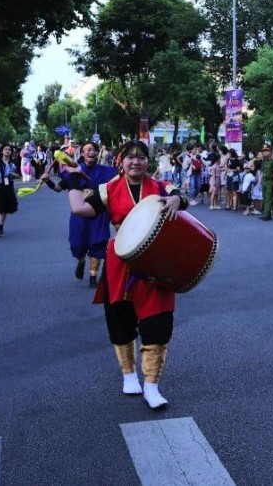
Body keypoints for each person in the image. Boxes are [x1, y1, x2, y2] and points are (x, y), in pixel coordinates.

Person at [64, 140, 186, 409]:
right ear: (121, 161)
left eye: (141, 157)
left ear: (148, 161)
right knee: (120, 321)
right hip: (120, 261)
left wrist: (177, 198)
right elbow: (79, 209)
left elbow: (181, 197)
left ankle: (152, 385)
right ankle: (129, 374)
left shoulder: (160, 186)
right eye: (130, 157)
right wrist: (73, 180)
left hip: (155, 264)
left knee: (158, 324)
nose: (136, 162)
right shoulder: (109, 189)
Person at [63, 141, 116, 286]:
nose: (91, 152)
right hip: (79, 213)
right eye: (88, 150)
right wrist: (47, 180)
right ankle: (81, 261)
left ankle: (93, 276)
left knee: (98, 244)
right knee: (77, 244)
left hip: (99, 212)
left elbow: (120, 181)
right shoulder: (74, 170)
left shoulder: (107, 171)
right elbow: (58, 187)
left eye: (94, 150)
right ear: (82, 153)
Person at [0, 144, 20, 238]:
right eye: (6, 149)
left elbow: (17, 175)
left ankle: (1, 225)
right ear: (2, 151)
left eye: (9, 149)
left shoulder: (13, 162)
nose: (8, 151)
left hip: (9, 187)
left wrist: (14, 175)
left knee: (5, 208)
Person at [260, 145, 273, 221]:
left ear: (271, 151)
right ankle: (267, 214)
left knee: (268, 198)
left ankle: (267, 215)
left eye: (266, 150)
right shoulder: (264, 162)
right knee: (264, 198)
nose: (264, 152)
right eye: (263, 151)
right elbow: (262, 172)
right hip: (264, 181)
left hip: (270, 181)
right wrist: (261, 181)